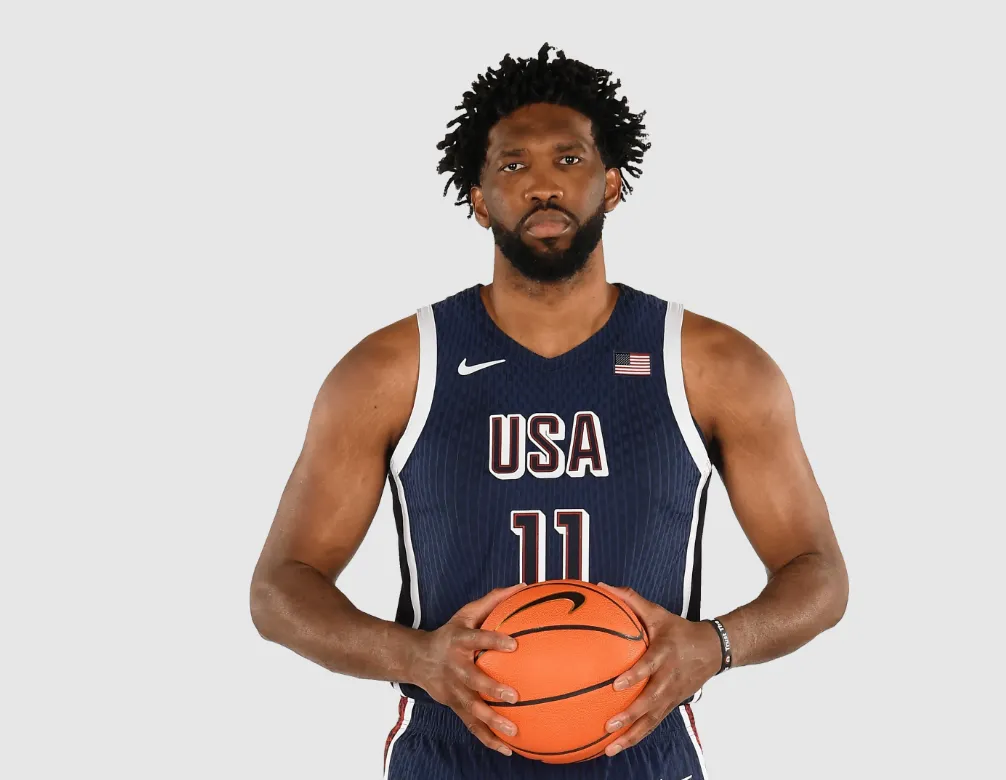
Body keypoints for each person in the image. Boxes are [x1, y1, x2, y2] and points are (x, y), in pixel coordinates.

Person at [250, 42, 848, 779]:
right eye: (512, 166)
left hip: (645, 759)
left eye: (568, 159)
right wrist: (416, 657)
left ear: (612, 184)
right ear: (477, 199)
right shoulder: (393, 368)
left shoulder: (713, 365)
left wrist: (715, 644)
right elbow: (280, 588)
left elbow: (819, 575)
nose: (542, 185)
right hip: (450, 759)